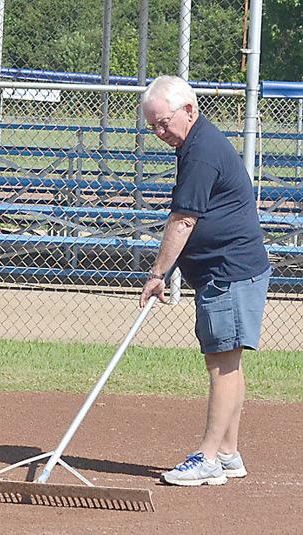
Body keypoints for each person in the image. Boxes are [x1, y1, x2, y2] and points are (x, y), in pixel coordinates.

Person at [139, 75, 271, 486]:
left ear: (189, 111)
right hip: (228, 271)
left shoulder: (201, 151)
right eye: (153, 127)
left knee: (222, 366)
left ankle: (209, 457)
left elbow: (183, 220)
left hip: (229, 272)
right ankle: (228, 453)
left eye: (163, 123)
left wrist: (158, 273)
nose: (160, 132)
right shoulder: (194, 144)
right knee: (228, 361)